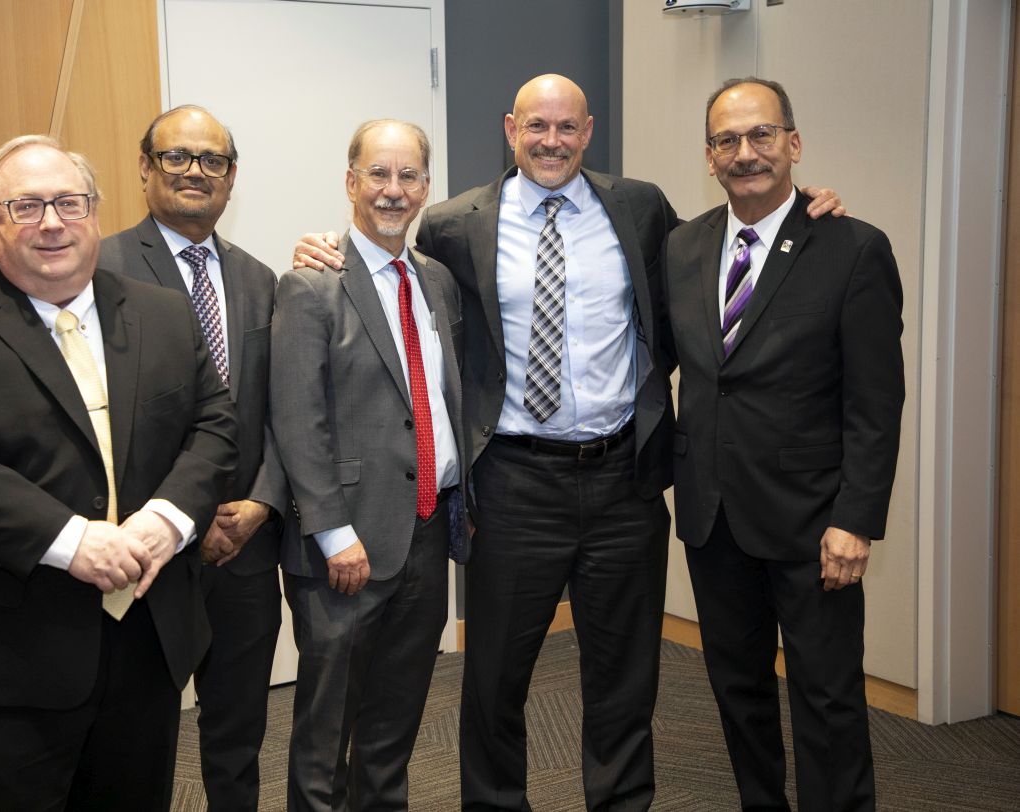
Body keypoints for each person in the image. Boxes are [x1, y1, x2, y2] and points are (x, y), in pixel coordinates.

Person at [293, 74, 843, 811]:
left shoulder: (639, 208)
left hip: (622, 480)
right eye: (535, 127)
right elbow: (394, 277)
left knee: (625, 679)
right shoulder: (456, 225)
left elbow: (715, 265)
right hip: (515, 482)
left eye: (566, 128)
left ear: (587, 132)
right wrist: (330, 243)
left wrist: (805, 214)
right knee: (494, 680)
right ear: (509, 128)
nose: (550, 141)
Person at [0, 135, 238, 811]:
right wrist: (73, 540)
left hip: (145, 641)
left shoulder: (162, 313)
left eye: (69, 202)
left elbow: (215, 427)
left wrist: (167, 521)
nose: (52, 222)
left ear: (95, 212)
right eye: (25, 206)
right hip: (6, 660)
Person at [664, 77, 904, 811]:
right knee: (737, 692)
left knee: (827, 701)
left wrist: (855, 518)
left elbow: (875, 400)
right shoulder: (681, 245)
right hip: (713, 517)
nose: (746, 153)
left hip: (813, 524)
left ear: (792, 143)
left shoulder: (852, 248)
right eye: (728, 141)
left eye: (761, 135)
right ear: (709, 157)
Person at [271, 119, 468, 811]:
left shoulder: (436, 281)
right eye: (377, 175)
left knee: (395, 724)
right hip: (344, 547)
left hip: (425, 531)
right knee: (324, 735)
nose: (393, 190)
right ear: (350, 181)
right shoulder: (311, 284)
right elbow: (298, 420)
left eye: (407, 175)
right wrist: (331, 533)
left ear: (424, 186)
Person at [98, 105, 287, 811]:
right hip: (145, 546)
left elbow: (281, 408)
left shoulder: (260, 279)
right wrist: (186, 513)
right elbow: (106, 422)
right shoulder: (103, 268)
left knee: (238, 729)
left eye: (212, 161)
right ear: (144, 168)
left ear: (232, 179)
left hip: (245, 542)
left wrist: (262, 502)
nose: (194, 172)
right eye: (176, 157)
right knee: (132, 730)